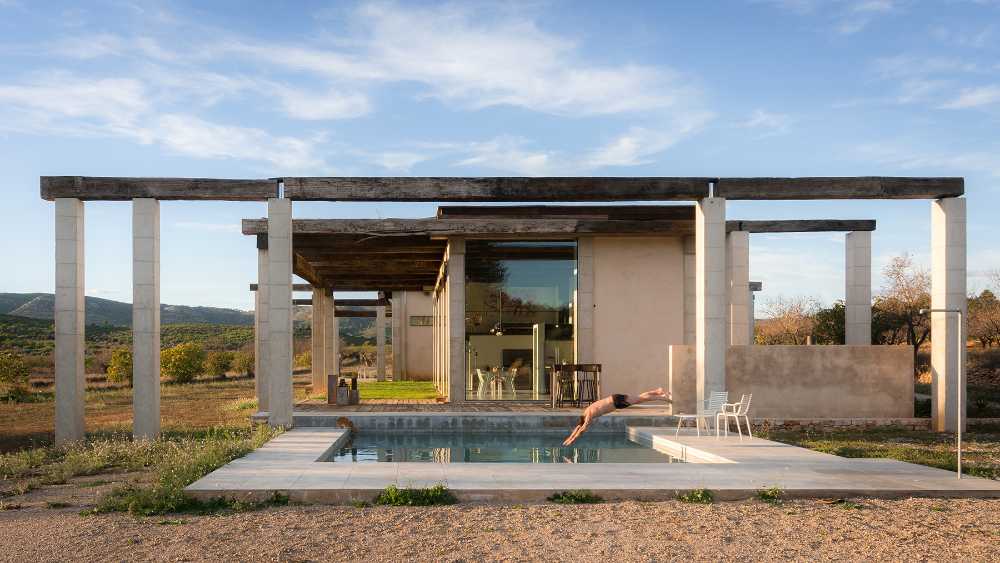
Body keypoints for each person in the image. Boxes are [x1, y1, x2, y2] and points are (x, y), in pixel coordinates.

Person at [562, 388, 670, 446]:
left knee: (640, 399)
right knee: (639, 398)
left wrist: (572, 440)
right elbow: (578, 428)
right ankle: (658, 391)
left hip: (616, 402)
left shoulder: (589, 415)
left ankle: (661, 397)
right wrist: (569, 438)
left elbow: (583, 428)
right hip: (615, 399)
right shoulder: (586, 411)